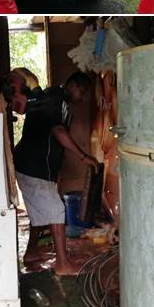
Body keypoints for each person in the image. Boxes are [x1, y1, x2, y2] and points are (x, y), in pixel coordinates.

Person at [10, 70, 99, 276]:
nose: (82, 97)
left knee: (40, 214)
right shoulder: (54, 99)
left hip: (33, 167)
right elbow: (58, 132)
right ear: (71, 85)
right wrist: (84, 156)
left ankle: (31, 253)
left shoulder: (60, 102)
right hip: (33, 166)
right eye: (82, 91)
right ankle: (63, 264)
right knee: (56, 210)